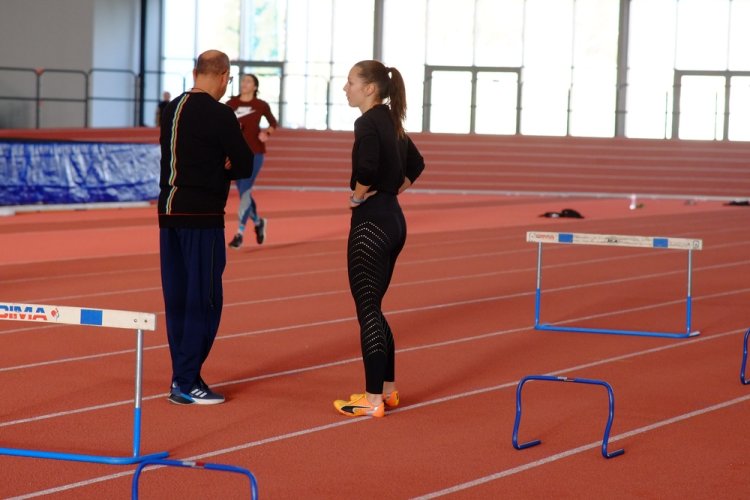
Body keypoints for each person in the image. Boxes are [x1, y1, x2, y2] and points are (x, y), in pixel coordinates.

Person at [158, 50, 254, 405]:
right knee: (204, 299)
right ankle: (186, 380)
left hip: (168, 214)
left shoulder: (171, 109)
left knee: (178, 299)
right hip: (201, 217)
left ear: (195, 71)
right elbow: (244, 164)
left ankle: (181, 377)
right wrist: (222, 166)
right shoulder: (221, 114)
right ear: (225, 76)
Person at [333, 60, 425, 418]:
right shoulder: (392, 121)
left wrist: (357, 196)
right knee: (374, 308)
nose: (346, 88)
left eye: (350, 82)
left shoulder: (368, 122)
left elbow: (367, 168)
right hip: (394, 221)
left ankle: (372, 400)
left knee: (367, 310)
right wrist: (392, 190)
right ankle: (387, 390)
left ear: (369, 88)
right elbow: (416, 164)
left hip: (372, 222)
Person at [226, 73, 278, 248]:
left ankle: (239, 233)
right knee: (243, 192)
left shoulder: (260, 105)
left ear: (255, 86)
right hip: (235, 154)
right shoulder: (231, 103)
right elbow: (223, 124)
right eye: (243, 81)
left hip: (255, 153)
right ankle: (258, 222)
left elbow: (273, 123)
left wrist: (267, 133)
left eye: (248, 81)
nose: (244, 83)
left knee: (245, 191)